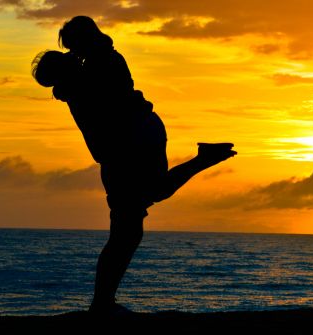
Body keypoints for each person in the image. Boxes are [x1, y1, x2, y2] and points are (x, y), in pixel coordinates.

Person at [32, 16, 237, 315]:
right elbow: (71, 85)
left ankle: (102, 304)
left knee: (128, 226)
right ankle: (203, 158)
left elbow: (90, 94)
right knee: (140, 212)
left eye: (72, 46)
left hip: (131, 144)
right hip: (132, 143)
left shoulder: (95, 67)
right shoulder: (91, 67)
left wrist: (70, 70)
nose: (71, 51)